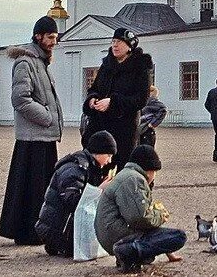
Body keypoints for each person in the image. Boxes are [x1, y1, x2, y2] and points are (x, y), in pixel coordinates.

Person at [0, 16, 64, 245]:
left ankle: (37, 231)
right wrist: (47, 117)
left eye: (55, 37)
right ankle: (26, 231)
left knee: (40, 188)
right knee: (31, 188)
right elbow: (20, 99)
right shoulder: (26, 62)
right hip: (32, 138)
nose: (54, 41)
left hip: (44, 138)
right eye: (51, 37)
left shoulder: (42, 62)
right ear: (38, 36)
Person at [95, 144, 186, 273]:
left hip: (111, 233)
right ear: (150, 170)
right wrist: (160, 215)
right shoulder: (134, 180)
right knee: (179, 236)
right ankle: (127, 250)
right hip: (116, 236)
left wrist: (167, 251)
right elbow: (139, 218)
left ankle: (129, 254)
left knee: (164, 238)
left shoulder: (127, 175)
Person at [35, 131, 117, 257]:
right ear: (99, 152)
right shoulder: (75, 169)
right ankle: (58, 244)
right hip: (58, 230)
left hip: (59, 227)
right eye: (108, 155)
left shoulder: (88, 166)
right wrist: (99, 189)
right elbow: (73, 202)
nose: (109, 160)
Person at [82, 28, 153, 171]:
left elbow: (141, 99)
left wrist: (113, 102)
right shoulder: (106, 66)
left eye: (119, 42)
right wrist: (92, 99)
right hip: (99, 125)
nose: (115, 45)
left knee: (121, 167)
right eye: (113, 41)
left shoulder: (140, 68)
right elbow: (94, 88)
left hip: (124, 129)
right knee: (96, 167)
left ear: (129, 46)